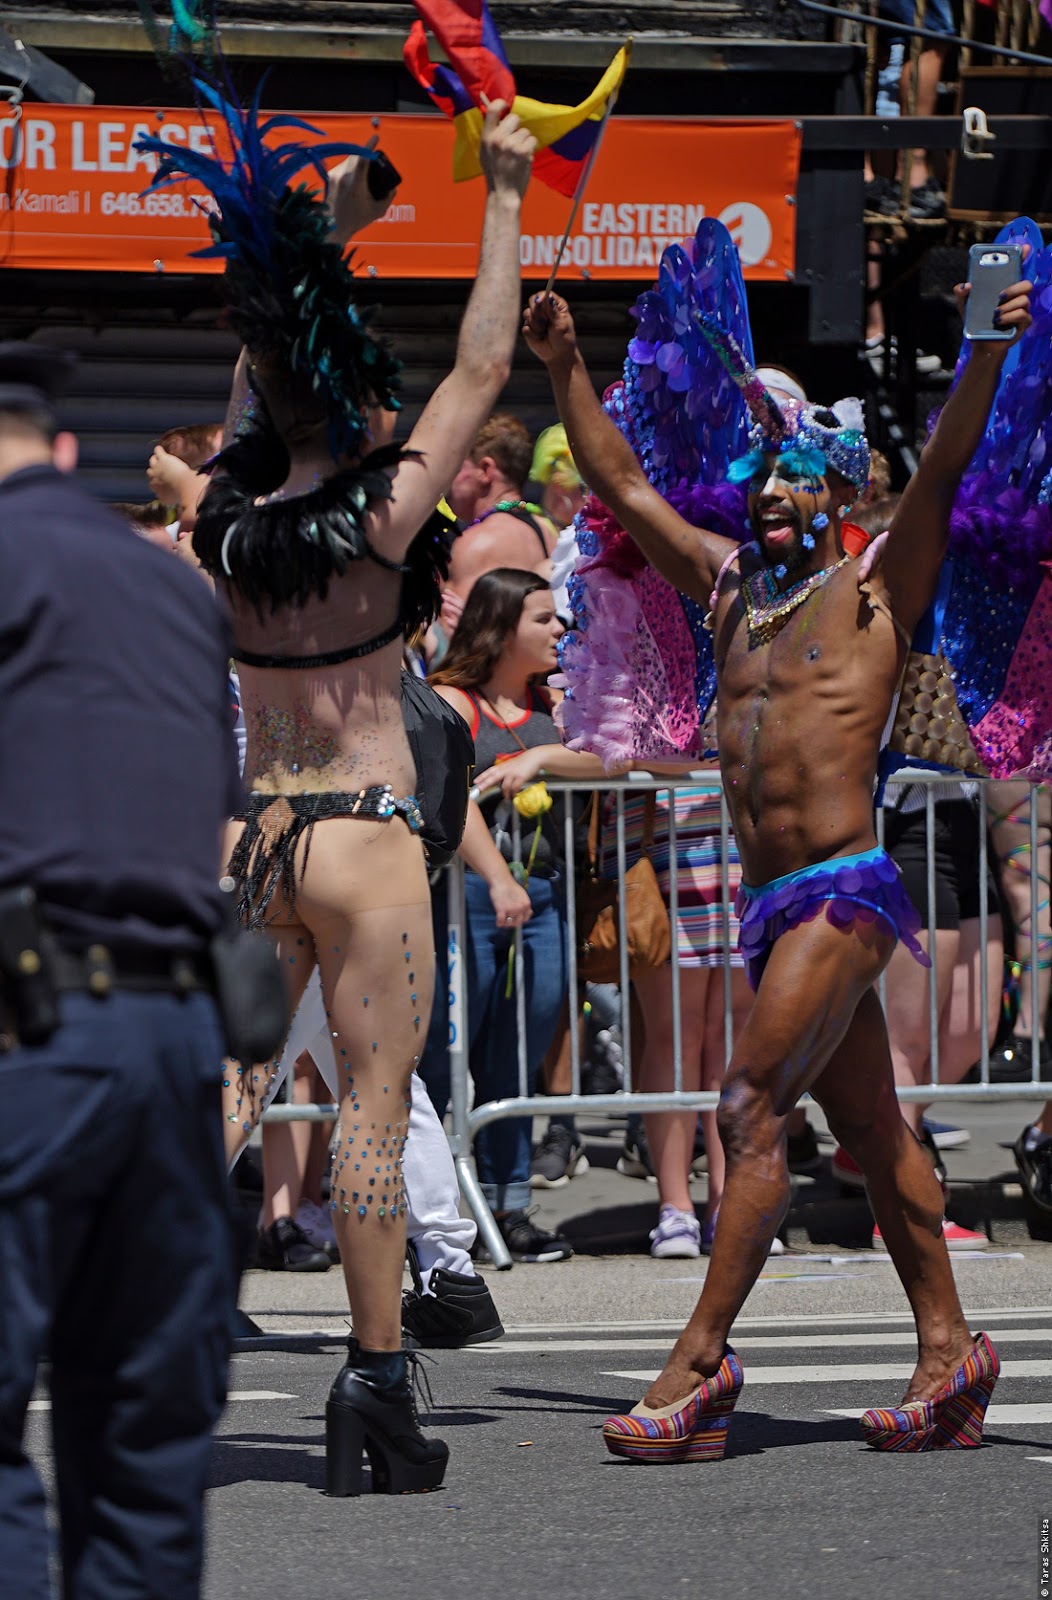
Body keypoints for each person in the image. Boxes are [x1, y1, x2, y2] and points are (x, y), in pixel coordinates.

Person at [524, 268, 1033, 1459]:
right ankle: (948, 1352)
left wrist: (977, 351)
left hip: (845, 890)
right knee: (874, 1128)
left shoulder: (873, 590)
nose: (771, 496)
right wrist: (561, 367)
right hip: (770, 907)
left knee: (747, 1106)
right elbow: (620, 481)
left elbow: (948, 469)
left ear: (842, 491)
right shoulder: (724, 590)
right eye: (763, 480)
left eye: (798, 478)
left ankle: (698, 1362)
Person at [140, 87, 535, 1495]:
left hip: (260, 841)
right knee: (369, 1118)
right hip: (365, 846)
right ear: (357, 394)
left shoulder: (223, 521)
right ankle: (374, 1382)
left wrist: (340, 221)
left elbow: (261, 353)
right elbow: (482, 371)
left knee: (226, 1096)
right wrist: (499, 194)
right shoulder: (376, 522)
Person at [0, 344, 242, 1595]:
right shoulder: (168, 591)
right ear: (56, 444)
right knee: (144, 1465)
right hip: (170, 1050)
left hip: (25, 1042)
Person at [424, 568, 607, 1260]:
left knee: (519, 1056)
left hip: (546, 897)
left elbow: (620, 759)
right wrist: (498, 879)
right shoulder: (451, 701)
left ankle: (511, 1206)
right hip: (463, 899)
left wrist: (547, 759)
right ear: (499, 628)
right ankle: (439, 1209)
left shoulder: (555, 708)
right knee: (448, 1057)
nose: (558, 631)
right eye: (543, 619)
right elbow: (449, 798)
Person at [439, 413, 558, 638]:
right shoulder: (549, 532)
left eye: (456, 467)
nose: (448, 479)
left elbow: (454, 643)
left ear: (485, 470)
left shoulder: (475, 543)